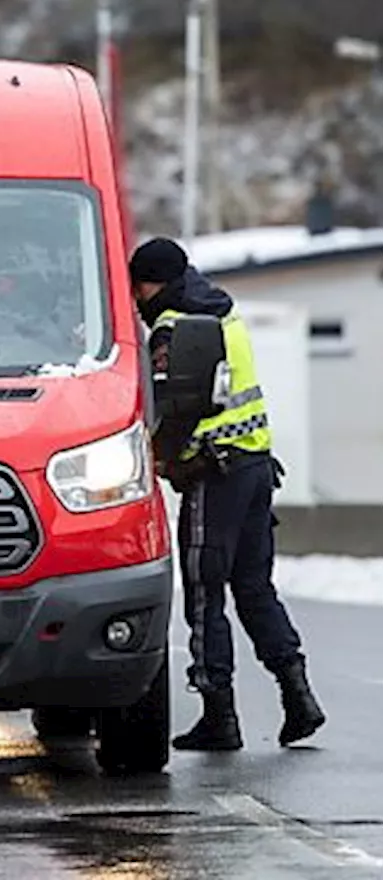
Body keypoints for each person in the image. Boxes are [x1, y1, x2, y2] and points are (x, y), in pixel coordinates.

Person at [129, 236, 326, 752]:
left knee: (203, 593)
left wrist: (160, 458)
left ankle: (219, 714)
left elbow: (172, 412)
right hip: (256, 467)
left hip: (213, 475)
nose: (136, 297)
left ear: (155, 283)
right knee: (255, 589)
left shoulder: (175, 327)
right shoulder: (225, 313)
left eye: (139, 286)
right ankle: (298, 696)